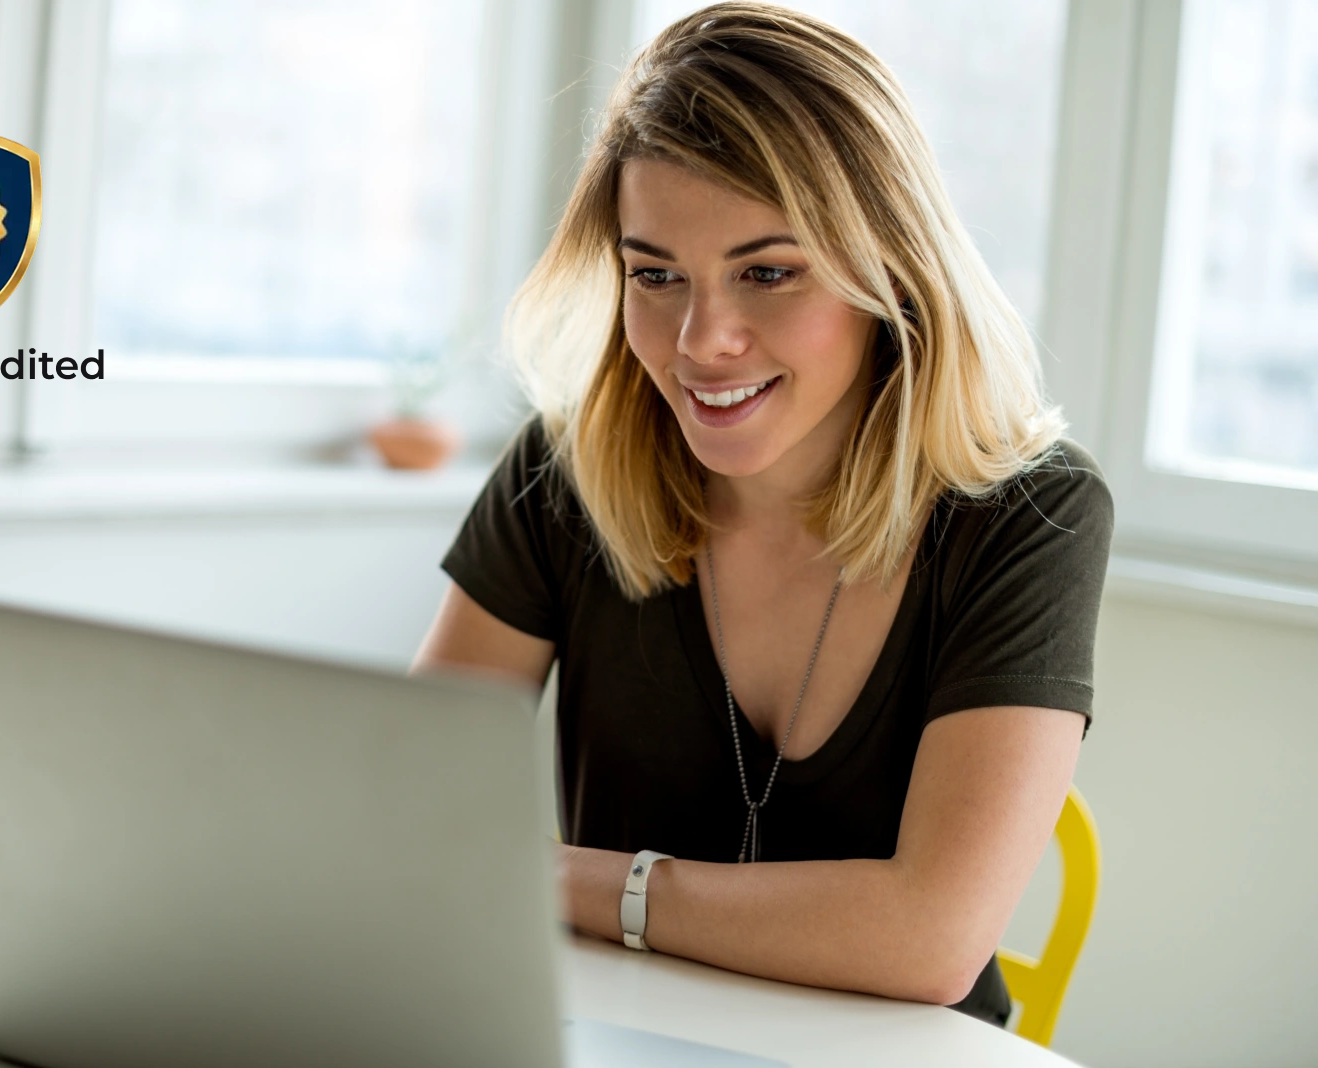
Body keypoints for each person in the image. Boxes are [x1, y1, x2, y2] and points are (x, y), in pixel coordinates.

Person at [411, 2, 1112, 1026]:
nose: (701, 341)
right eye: (656, 275)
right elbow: (410, 814)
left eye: (768, 273)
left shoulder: (1029, 513)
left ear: (889, 270)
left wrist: (566, 879)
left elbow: (930, 940)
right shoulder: (564, 475)